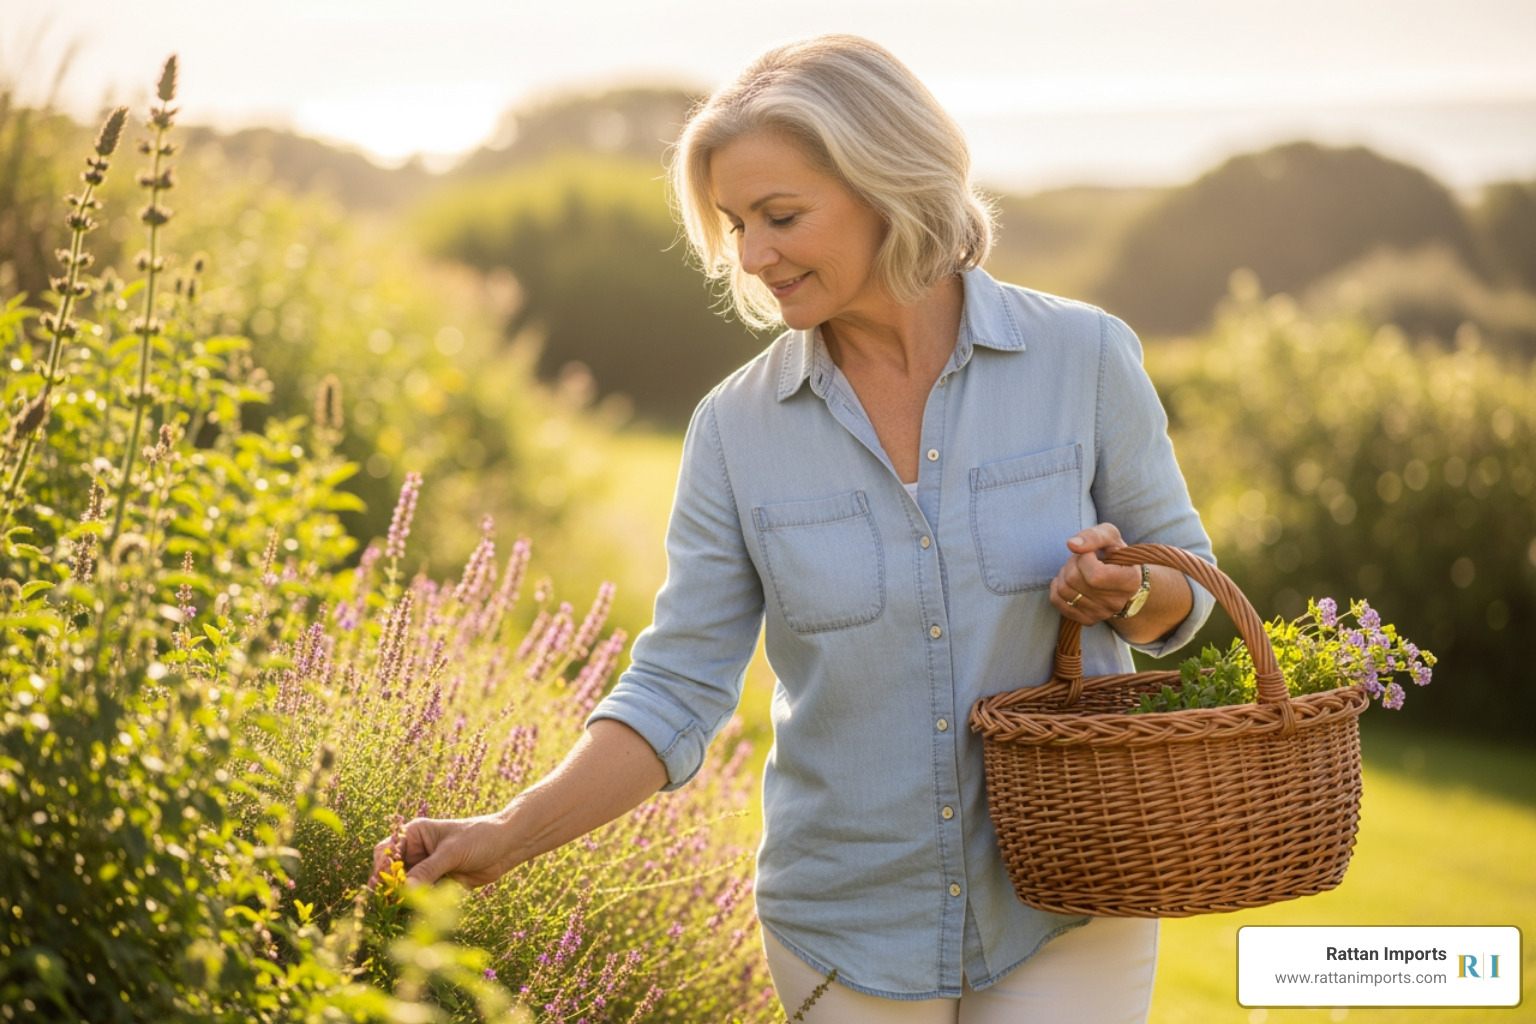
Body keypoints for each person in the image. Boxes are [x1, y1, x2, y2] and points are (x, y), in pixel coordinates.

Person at [373, 34, 1215, 1023]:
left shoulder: (1084, 356)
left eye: (781, 216)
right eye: (735, 224)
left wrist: (1132, 591)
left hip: (1077, 896)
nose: (753, 255)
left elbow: (1188, 587)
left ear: (888, 184)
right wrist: (506, 832)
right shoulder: (736, 430)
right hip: (845, 929)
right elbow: (679, 684)